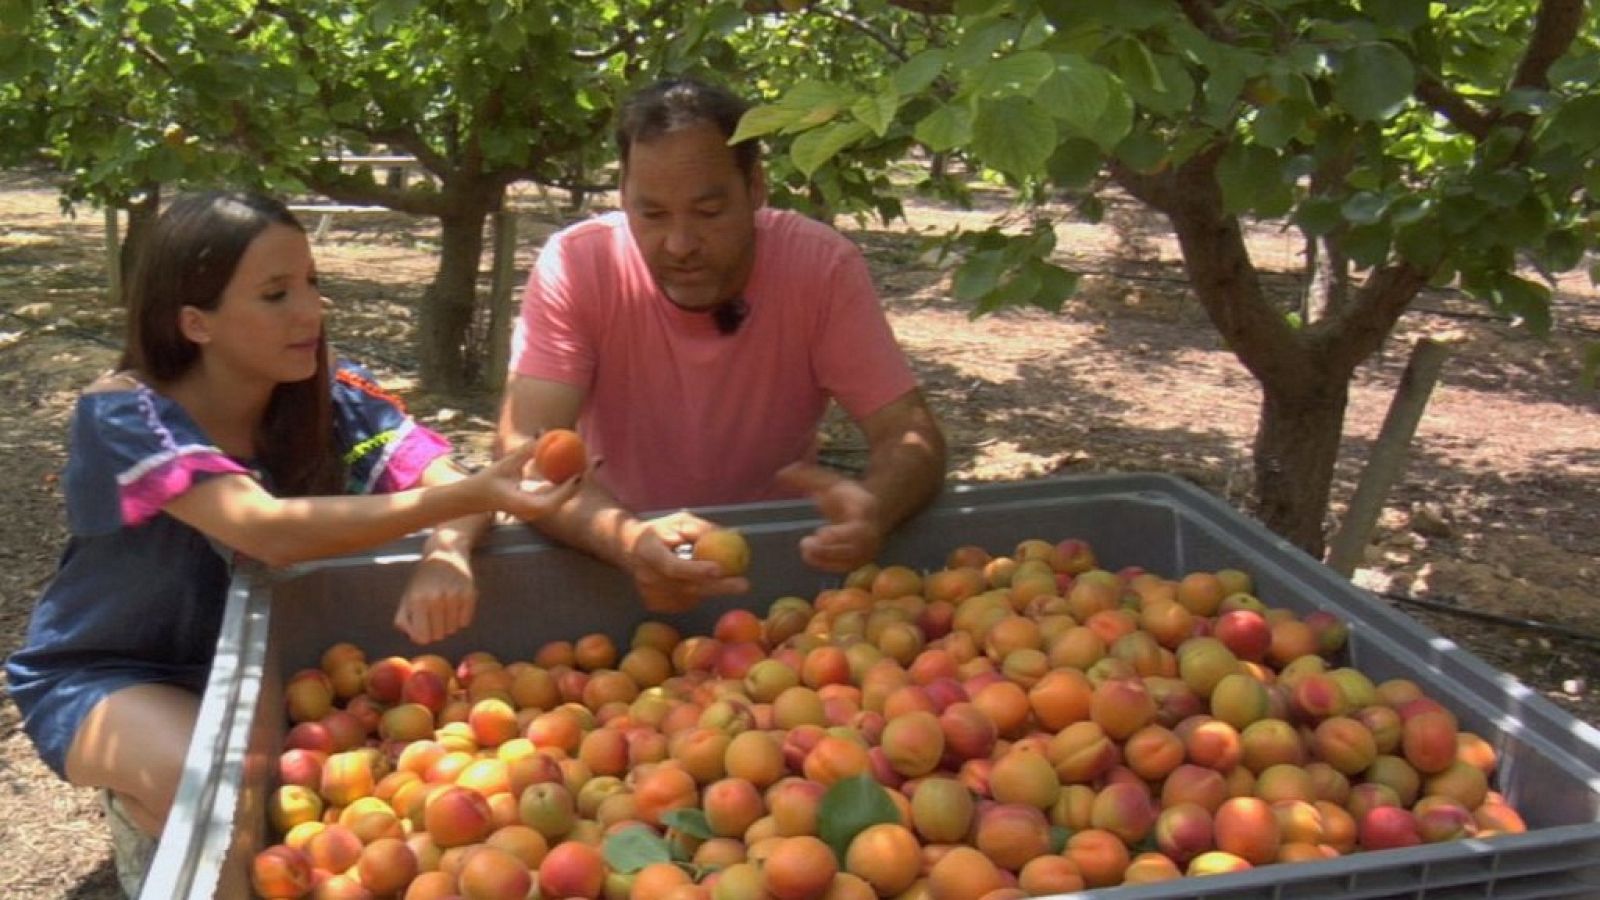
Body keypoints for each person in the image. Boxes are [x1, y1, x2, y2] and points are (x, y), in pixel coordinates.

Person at [3, 192, 582, 880]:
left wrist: (450, 546)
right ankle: (145, 814)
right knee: (214, 793)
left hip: (270, 667)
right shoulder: (125, 414)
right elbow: (266, 530)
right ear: (195, 322)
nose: (310, 310)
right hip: (117, 671)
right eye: (276, 294)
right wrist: (466, 499)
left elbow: (445, 477)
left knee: (280, 818)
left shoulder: (330, 400)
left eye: (312, 283)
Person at [497, 78, 946, 613]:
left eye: (709, 213)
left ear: (755, 188)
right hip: (608, 566)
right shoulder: (578, 266)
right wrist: (626, 539)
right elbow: (527, 450)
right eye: (653, 214)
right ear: (622, 194)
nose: (681, 245)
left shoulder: (820, 270)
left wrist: (876, 507)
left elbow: (909, 433)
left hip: (778, 573)